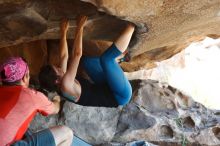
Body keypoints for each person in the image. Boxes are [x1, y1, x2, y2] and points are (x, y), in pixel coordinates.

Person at [39, 16, 135, 107]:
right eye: (57, 69)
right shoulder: (66, 85)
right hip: (120, 95)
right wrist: (80, 26)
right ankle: (131, 27)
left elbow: (64, 56)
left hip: (105, 86)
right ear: (56, 80)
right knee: (106, 59)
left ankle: (118, 60)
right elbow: (77, 55)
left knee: (87, 61)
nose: (59, 68)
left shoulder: (59, 82)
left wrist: (63, 31)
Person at [0, 57, 73, 146]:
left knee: (27, 132)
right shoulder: (31, 96)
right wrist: (57, 99)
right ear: (25, 77)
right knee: (66, 133)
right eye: (29, 75)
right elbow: (55, 109)